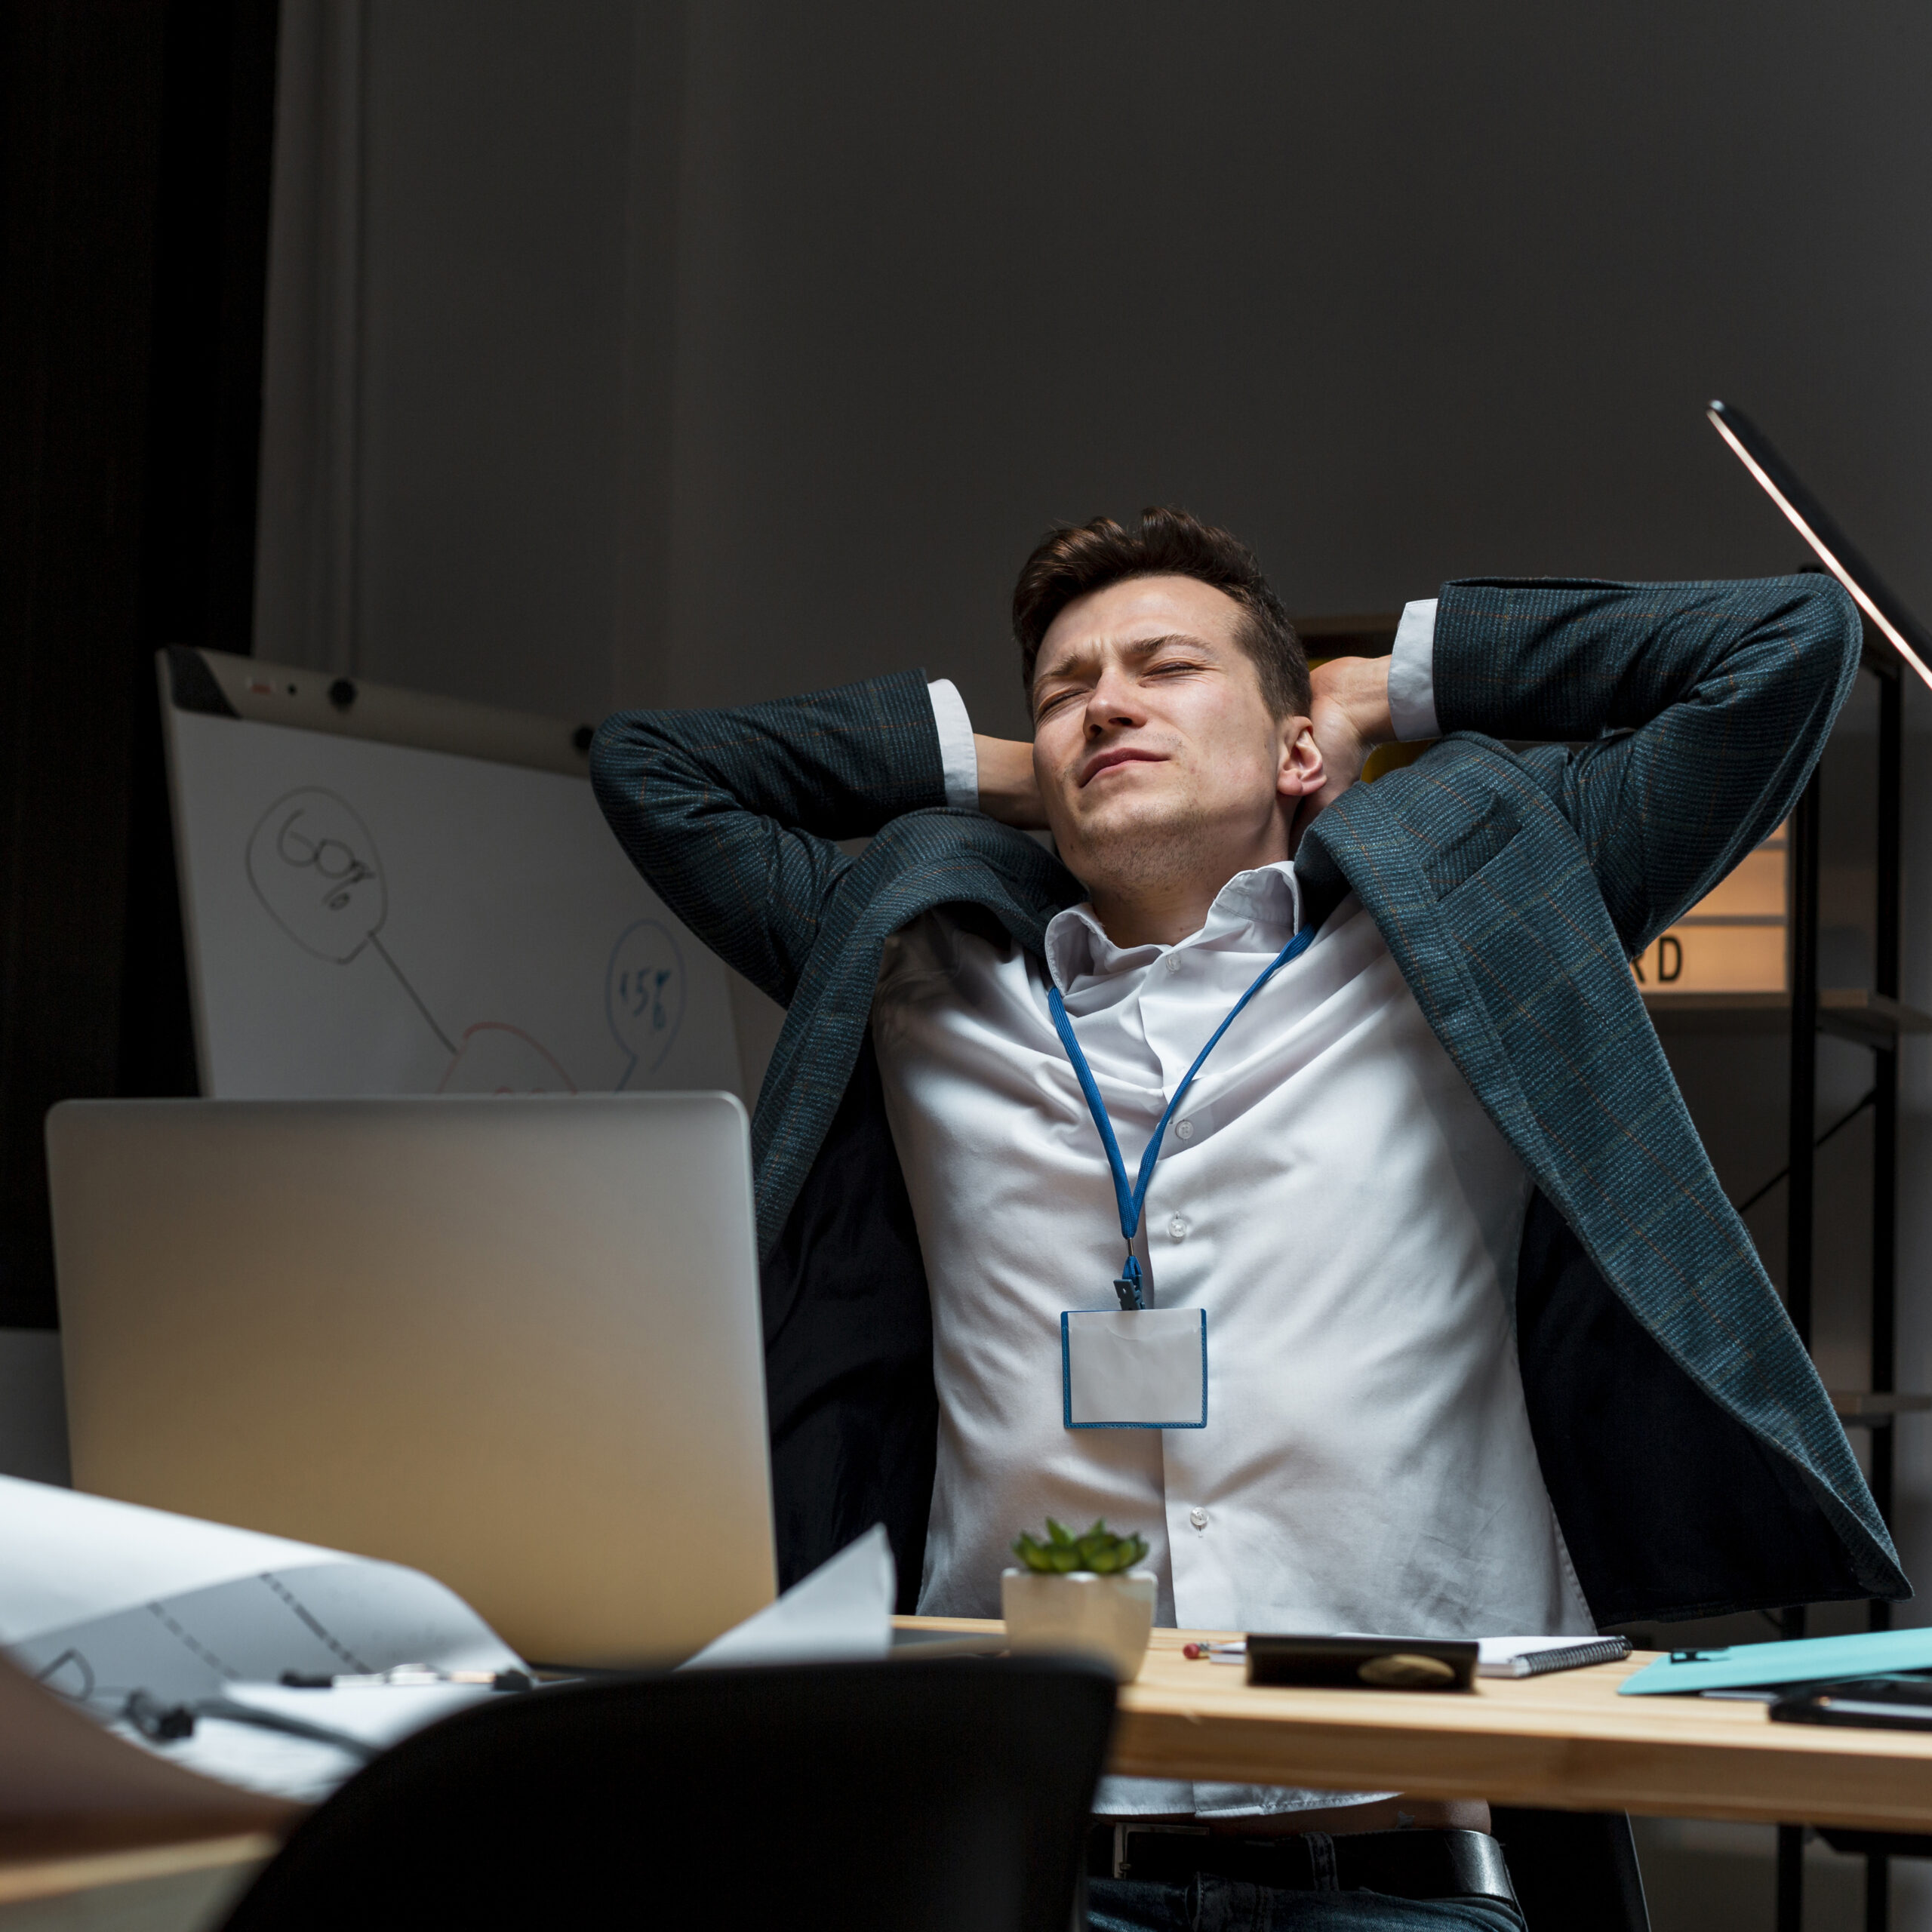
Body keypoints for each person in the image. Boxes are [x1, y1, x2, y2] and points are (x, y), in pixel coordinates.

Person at [591, 508, 1903, 1929]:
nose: (1107, 701)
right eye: (1065, 689)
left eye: (1164, 666)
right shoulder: (920, 974)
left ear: (1291, 748)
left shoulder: (1476, 921)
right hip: (1026, 1867)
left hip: (1401, 1871)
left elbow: (1788, 647)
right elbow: (655, 772)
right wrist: (1003, 770)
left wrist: (1385, 685)